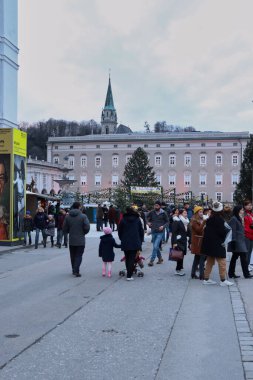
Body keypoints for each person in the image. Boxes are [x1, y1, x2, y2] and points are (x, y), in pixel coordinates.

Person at [202, 201, 234, 286]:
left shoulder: (209, 219)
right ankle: (223, 280)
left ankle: (206, 278)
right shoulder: (220, 220)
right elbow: (222, 232)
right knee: (222, 262)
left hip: (209, 244)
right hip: (218, 244)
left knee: (209, 262)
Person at [63, 202, 90, 277]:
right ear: (79, 207)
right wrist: (83, 232)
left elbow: (64, 228)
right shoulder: (83, 216)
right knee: (79, 255)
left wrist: (69, 231)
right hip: (80, 239)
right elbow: (87, 227)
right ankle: (76, 270)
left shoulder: (67, 216)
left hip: (72, 239)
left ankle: (73, 269)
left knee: (72, 255)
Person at [118, 206, 144, 281]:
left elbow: (120, 231)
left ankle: (129, 273)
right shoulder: (137, 219)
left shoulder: (123, 219)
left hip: (125, 241)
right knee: (132, 258)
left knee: (127, 257)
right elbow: (141, 231)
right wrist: (141, 240)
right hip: (135, 241)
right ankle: (129, 275)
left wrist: (122, 238)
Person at [228, 205, 253, 279]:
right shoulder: (234, 219)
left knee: (234, 257)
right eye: (241, 210)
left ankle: (231, 273)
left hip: (240, 240)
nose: (243, 211)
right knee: (243, 257)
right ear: (238, 210)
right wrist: (233, 241)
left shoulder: (239, 218)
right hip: (237, 241)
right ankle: (246, 274)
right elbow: (233, 231)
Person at [147, 200, 169, 266]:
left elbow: (167, 222)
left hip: (160, 232)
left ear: (160, 206)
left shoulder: (164, 213)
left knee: (156, 246)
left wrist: (163, 226)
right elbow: (146, 217)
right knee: (155, 247)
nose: (155, 207)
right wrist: (148, 223)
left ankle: (151, 260)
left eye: (157, 205)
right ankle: (160, 258)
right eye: (155, 205)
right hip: (153, 231)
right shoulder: (151, 212)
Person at [171, 208, 190, 276]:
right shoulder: (177, 221)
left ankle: (180, 267)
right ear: (181, 214)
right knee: (179, 255)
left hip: (183, 240)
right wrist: (174, 243)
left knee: (182, 255)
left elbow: (187, 231)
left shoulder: (186, 221)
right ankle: (177, 269)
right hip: (178, 241)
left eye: (186, 213)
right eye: (184, 213)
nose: (186, 214)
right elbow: (174, 233)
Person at [190, 206, 206, 279]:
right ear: (196, 213)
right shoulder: (194, 221)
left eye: (202, 212)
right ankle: (202, 275)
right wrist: (204, 222)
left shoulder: (200, 220)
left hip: (200, 241)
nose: (202, 213)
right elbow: (199, 230)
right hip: (197, 242)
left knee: (197, 258)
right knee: (201, 258)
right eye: (200, 212)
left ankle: (193, 274)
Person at [243, 200, 253, 270]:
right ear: (245, 206)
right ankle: (246, 267)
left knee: (250, 252)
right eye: (248, 205)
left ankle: (248, 265)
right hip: (247, 235)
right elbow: (244, 226)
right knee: (247, 252)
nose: (250, 206)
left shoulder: (251, 214)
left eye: (251, 205)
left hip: (251, 235)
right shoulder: (244, 214)